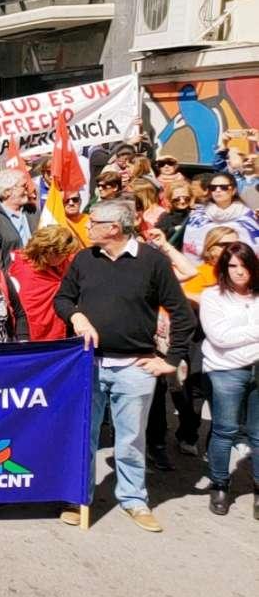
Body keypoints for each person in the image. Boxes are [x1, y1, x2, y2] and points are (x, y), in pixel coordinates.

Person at [53, 199, 196, 533]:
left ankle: (134, 499)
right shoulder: (84, 259)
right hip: (88, 364)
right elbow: (62, 299)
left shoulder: (152, 262)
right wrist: (76, 316)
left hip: (135, 368)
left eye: (93, 223)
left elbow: (182, 313)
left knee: (130, 438)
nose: (87, 227)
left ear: (114, 228)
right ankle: (78, 497)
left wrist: (170, 360)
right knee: (84, 435)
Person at [198, 242, 259, 517]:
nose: (239, 271)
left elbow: (231, 335)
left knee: (257, 434)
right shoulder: (213, 296)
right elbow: (220, 337)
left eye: (244, 265)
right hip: (226, 370)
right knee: (225, 430)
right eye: (232, 265)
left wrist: (244, 334)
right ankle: (220, 484)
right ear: (224, 268)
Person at [7, 226, 82, 341]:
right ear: (48, 251)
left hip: (59, 331)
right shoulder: (22, 267)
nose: (65, 257)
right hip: (31, 332)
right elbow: (22, 308)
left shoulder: (65, 263)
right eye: (62, 254)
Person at [182, 171, 259, 262]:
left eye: (223, 187)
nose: (218, 190)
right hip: (203, 266)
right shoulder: (198, 215)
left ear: (233, 190)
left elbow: (253, 248)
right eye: (213, 188)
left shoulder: (248, 216)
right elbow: (191, 245)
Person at [0, 169, 39, 270]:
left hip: (40, 274)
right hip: (14, 278)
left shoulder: (32, 211)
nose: (27, 190)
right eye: (24, 186)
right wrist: (9, 279)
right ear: (7, 192)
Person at [154, 181, 195, 250]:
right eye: (177, 199)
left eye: (186, 198)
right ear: (170, 199)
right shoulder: (165, 217)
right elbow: (157, 236)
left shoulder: (195, 215)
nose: (182, 201)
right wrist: (173, 230)